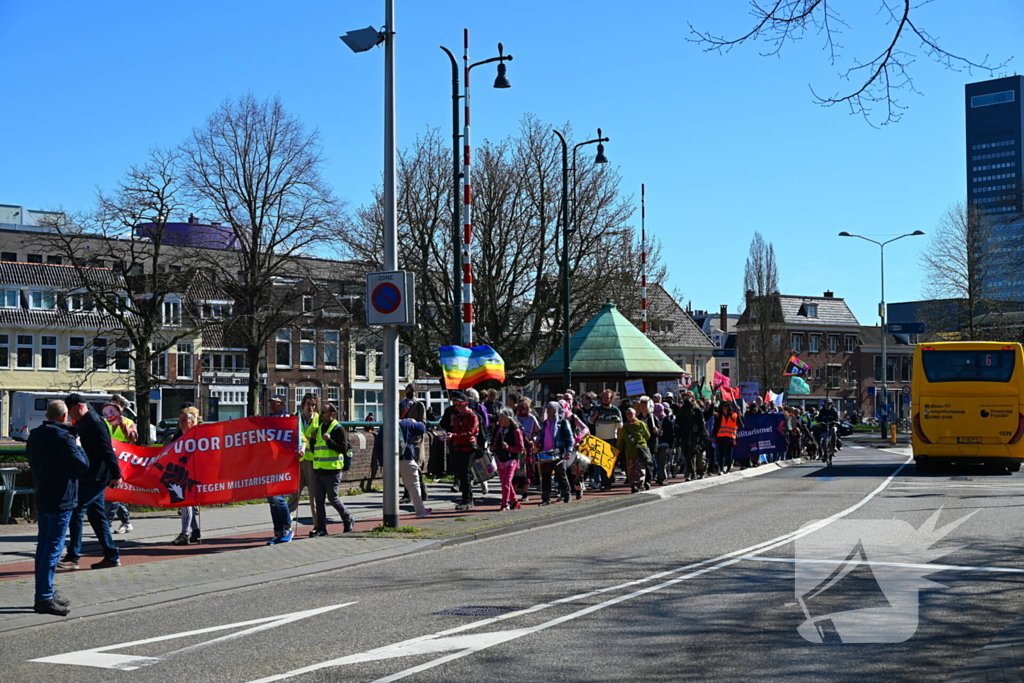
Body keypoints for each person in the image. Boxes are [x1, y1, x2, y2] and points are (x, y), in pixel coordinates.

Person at [29, 400, 89, 616]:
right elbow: (82, 465)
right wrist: (79, 446)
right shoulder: (65, 437)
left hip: (43, 496)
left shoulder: (35, 435)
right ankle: (44, 597)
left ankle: (46, 592)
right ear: (65, 417)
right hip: (61, 498)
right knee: (53, 549)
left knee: (43, 547)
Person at [58, 393, 122, 570]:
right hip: (91, 475)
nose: (70, 415)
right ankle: (111, 555)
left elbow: (107, 449)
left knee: (76, 511)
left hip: (96, 477)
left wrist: (116, 474)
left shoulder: (94, 422)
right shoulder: (84, 421)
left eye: (70, 411)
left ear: (79, 406)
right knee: (97, 516)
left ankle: (73, 557)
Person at [310, 403, 356, 536]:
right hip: (319, 470)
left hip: (332, 470)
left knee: (333, 498)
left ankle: (348, 519)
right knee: (318, 501)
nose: (321, 414)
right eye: (321, 412)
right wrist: (313, 440)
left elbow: (343, 449)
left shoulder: (338, 429)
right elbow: (316, 449)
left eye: (324, 412)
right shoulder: (319, 428)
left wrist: (329, 441)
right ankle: (321, 528)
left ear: (332, 414)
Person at [265, 396, 296, 545]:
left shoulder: (289, 421)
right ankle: (277, 532)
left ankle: (287, 528)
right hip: (269, 465)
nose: (271, 405)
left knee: (279, 498)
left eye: (275, 403)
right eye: (270, 403)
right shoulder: (265, 421)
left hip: (284, 464)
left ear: (283, 405)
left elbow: (299, 438)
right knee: (271, 499)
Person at [170, 407, 203, 545]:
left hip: (193, 473)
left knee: (185, 502)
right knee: (186, 502)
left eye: (185, 420)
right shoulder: (177, 436)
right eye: (180, 420)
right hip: (180, 472)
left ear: (193, 421)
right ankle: (195, 530)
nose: (182, 422)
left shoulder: (198, 435)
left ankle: (185, 534)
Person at [103, 396, 135, 535]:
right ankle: (126, 522)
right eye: (110, 408)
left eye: (115, 407)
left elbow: (133, 438)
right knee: (113, 493)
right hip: (106, 462)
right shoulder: (104, 422)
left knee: (114, 493)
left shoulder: (129, 422)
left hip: (122, 463)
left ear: (122, 408)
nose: (112, 411)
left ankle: (106, 524)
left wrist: (123, 425)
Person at [289, 393, 321, 531]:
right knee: (293, 495)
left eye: (313, 404)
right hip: (296, 461)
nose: (311, 407)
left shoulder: (318, 419)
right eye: (308, 404)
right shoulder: (294, 418)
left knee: (314, 497)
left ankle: (317, 526)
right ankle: (287, 526)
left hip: (312, 462)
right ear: (303, 404)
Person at [535, 402, 575, 505]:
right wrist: (536, 441)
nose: (549, 410)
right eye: (547, 408)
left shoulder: (562, 423)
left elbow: (570, 439)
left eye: (551, 408)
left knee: (561, 475)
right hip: (545, 453)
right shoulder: (545, 423)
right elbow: (540, 435)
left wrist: (569, 451)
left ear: (557, 410)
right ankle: (545, 499)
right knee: (546, 477)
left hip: (558, 453)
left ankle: (566, 495)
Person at [448, 393, 481, 511]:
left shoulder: (473, 416)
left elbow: (470, 433)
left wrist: (454, 436)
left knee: (466, 474)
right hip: (458, 447)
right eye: (456, 405)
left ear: (466, 404)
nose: (457, 407)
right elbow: (455, 431)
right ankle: (465, 499)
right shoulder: (457, 417)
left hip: (469, 448)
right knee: (461, 474)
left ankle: (468, 500)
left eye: (459, 404)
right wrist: (451, 435)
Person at [491, 408, 524, 510]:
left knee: (506, 481)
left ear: (508, 418)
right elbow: (495, 442)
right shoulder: (500, 430)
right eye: (499, 417)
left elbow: (520, 448)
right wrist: (494, 447)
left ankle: (505, 504)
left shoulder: (516, 431)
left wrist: (509, 447)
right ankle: (515, 501)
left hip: (512, 459)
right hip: (501, 458)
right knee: (505, 482)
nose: (500, 419)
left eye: (502, 417)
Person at [399, 418, 433, 518]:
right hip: (405, 457)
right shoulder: (406, 424)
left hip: (388, 459)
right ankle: (420, 511)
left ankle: (388, 512)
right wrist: (413, 422)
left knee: (390, 487)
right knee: (413, 484)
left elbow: (378, 445)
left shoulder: (385, 426)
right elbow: (422, 428)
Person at [589, 390, 623, 490]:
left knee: (608, 463)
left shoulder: (616, 410)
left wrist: (619, 440)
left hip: (611, 439)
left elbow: (620, 427)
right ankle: (603, 482)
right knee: (600, 463)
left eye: (607, 397)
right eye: (604, 397)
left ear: (611, 398)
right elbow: (590, 422)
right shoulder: (596, 409)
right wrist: (595, 416)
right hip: (599, 439)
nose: (605, 399)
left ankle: (608, 483)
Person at [617, 407, 652, 492]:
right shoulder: (625, 427)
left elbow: (647, 435)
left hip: (640, 450)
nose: (629, 415)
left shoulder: (641, 424)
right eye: (627, 414)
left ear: (635, 414)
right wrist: (618, 450)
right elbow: (622, 439)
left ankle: (639, 484)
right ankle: (633, 485)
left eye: (631, 413)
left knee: (640, 468)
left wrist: (641, 443)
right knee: (631, 469)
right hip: (629, 451)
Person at [713, 401, 740, 474]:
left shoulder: (734, 415)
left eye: (726, 406)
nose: (725, 407)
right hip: (721, 436)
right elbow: (715, 426)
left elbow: (741, 422)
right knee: (721, 454)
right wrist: (714, 436)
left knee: (729, 454)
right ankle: (721, 469)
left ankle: (728, 468)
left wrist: (740, 412)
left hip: (730, 436)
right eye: (723, 406)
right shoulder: (718, 415)